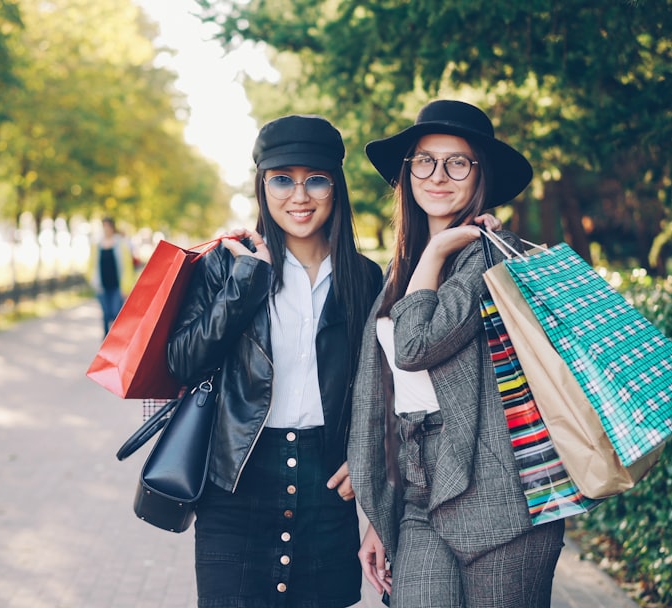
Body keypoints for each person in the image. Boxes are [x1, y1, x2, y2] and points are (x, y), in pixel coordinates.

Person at [348, 99, 565, 607]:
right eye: (424, 160)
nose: (438, 175)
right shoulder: (397, 273)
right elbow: (387, 394)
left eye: (457, 162)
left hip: (503, 494)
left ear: (479, 174)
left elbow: (415, 347)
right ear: (407, 173)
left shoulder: (489, 258)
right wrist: (381, 514)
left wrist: (439, 249)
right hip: (420, 491)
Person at [166, 114, 383, 607]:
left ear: (337, 186)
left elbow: (384, 385)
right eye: (282, 179)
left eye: (317, 180)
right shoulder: (226, 262)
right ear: (262, 185)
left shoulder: (365, 279)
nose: (299, 196)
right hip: (236, 481)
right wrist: (245, 283)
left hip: (327, 488)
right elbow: (182, 361)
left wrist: (365, 457)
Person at [92, 216, 135, 335]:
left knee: (116, 313)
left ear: (112, 227)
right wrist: (92, 280)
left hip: (117, 286)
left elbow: (127, 267)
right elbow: (92, 265)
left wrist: (126, 287)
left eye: (108, 226)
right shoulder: (97, 245)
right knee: (106, 315)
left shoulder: (121, 244)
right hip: (102, 286)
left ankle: (115, 340)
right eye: (103, 227)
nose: (106, 229)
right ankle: (105, 342)